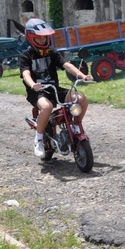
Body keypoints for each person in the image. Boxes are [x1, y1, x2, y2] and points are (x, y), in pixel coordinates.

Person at [19, 18, 93, 158]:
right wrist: (32, 84)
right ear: (31, 38)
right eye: (39, 38)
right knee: (46, 107)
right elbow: (26, 73)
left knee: (81, 99)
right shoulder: (25, 56)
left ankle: (75, 126)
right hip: (37, 92)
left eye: (45, 38)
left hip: (54, 88)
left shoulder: (51, 52)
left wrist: (83, 76)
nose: (43, 41)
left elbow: (66, 65)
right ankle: (39, 139)